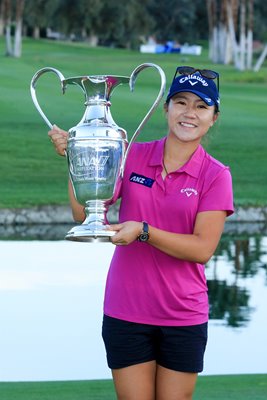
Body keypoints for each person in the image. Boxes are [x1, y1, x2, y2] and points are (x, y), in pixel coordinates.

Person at [48, 65, 234, 400]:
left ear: (213, 117)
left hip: (183, 316)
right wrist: (77, 160)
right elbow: (82, 212)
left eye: (201, 106)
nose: (189, 113)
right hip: (126, 310)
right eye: (181, 102)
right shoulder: (132, 154)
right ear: (166, 108)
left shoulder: (216, 175)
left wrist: (145, 231)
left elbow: (202, 249)